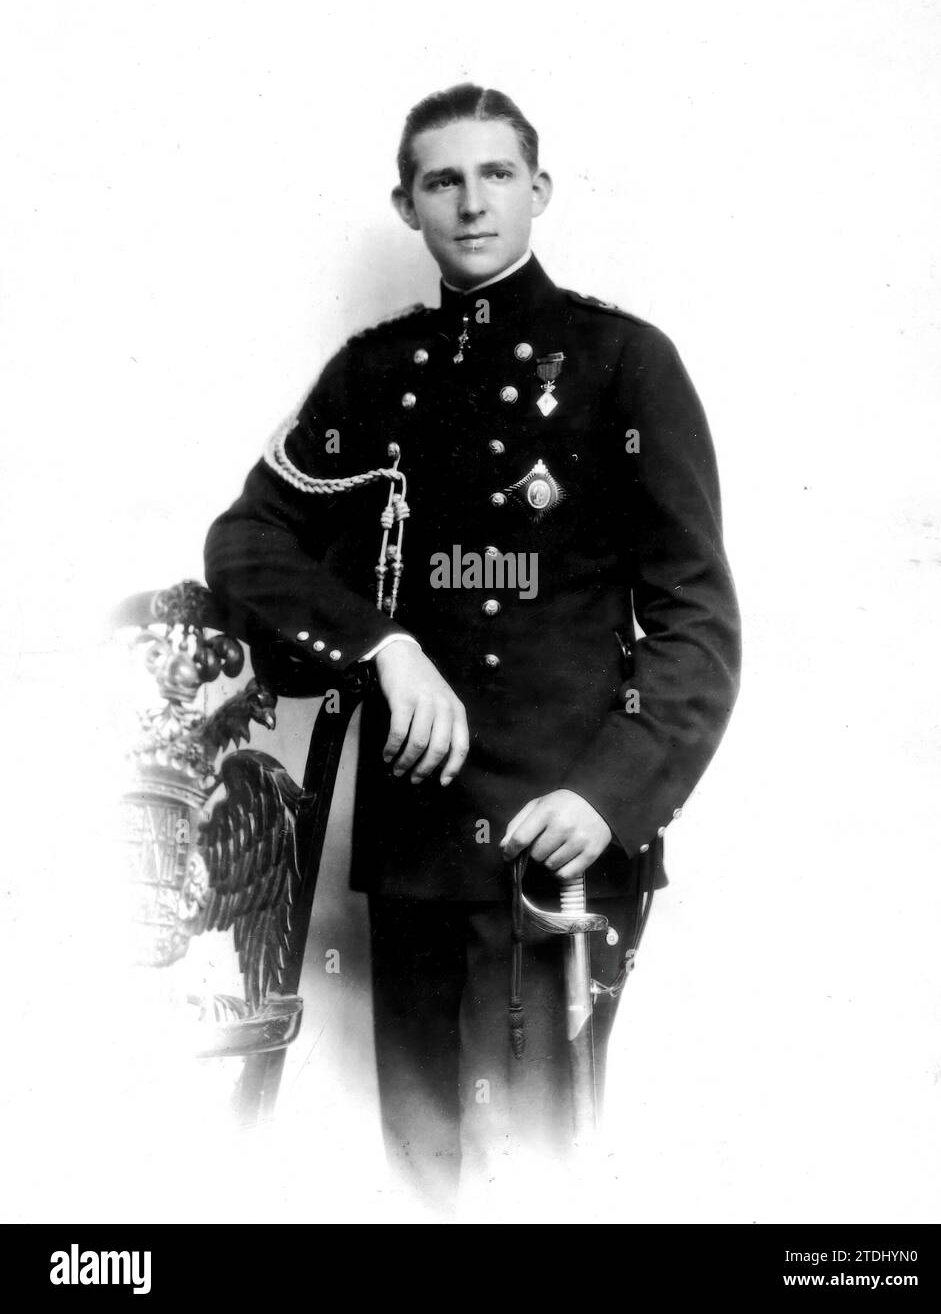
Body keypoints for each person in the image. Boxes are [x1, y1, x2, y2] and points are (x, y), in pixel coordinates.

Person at [204, 83, 741, 1215]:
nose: (470, 202)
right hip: (413, 852)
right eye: (441, 180)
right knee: (423, 1168)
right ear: (405, 204)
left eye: (495, 175)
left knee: (534, 1175)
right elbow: (245, 543)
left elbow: (695, 621)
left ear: (538, 190)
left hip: (562, 840)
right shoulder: (374, 376)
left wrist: (610, 794)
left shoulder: (623, 365)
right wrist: (379, 643)